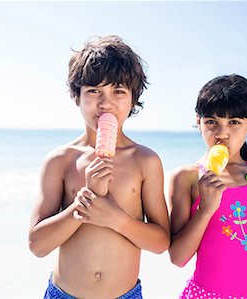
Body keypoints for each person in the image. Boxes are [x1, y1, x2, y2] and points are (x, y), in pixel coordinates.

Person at [28, 35, 170, 299]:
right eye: (94, 91)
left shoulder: (145, 161)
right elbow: (37, 245)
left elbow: (161, 242)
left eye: (118, 91)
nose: (106, 103)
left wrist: (116, 218)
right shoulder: (60, 160)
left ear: (133, 99)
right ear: (76, 97)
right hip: (63, 294)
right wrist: (83, 204)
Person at [168, 74, 247, 298]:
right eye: (211, 122)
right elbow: (177, 258)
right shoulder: (186, 178)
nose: (221, 133)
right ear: (198, 121)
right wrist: (205, 210)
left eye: (234, 122)